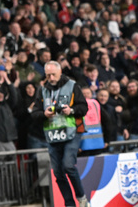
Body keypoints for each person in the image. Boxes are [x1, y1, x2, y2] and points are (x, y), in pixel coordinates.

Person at [31, 61, 89, 207]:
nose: (50, 78)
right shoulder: (42, 90)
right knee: (58, 173)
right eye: (48, 75)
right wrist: (44, 114)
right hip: (53, 135)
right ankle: (69, 204)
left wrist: (72, 111)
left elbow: (84, 107)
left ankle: (81, 198)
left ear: (60, 71)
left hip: (72, 132)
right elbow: (35, 113)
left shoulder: (72, 85)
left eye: (53, 74)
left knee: (68, 166)